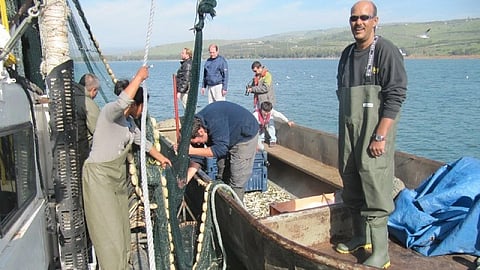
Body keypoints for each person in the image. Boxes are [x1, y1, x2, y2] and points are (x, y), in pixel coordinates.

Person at [335, 1, 407, 269]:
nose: (358, 22)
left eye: (365, 17)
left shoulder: (385, 51)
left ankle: (381, 253)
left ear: (375, 20)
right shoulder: (346, 54)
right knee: (350, 178)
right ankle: (360, 236)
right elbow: (341, 94)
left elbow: (396, 95)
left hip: (374, 131)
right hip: (348, 130)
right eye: (354, 18)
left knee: (375, 185)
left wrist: (380, 135)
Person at [82, 66, 172, 270]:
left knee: (122, 229)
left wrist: (162, 158)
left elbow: (143, 143)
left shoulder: (129, 123)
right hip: (99, 179)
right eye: (143, 106)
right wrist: (139, 77)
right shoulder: (110, 113)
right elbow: (123, 101)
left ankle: (123, 264)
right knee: (109, 234)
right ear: (136, 104)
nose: (143, 112)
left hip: (115, 181)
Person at [184, 101, 258, 202]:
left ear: (201, 132)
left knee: (237, 177)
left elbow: (220, 150)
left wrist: (192, 151)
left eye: (197, 142)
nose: (197, 144)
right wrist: (185, 181)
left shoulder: (215, 121)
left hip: (244, 135)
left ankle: (236, 206)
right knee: (221, 168)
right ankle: (223, 192)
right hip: (226, 133)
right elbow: (197, 158)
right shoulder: (195, 126)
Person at [74, 73, 101, 169]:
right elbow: (99, 131)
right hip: (83, 152)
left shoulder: (70, 97)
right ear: (94, 90)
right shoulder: (88, 104)